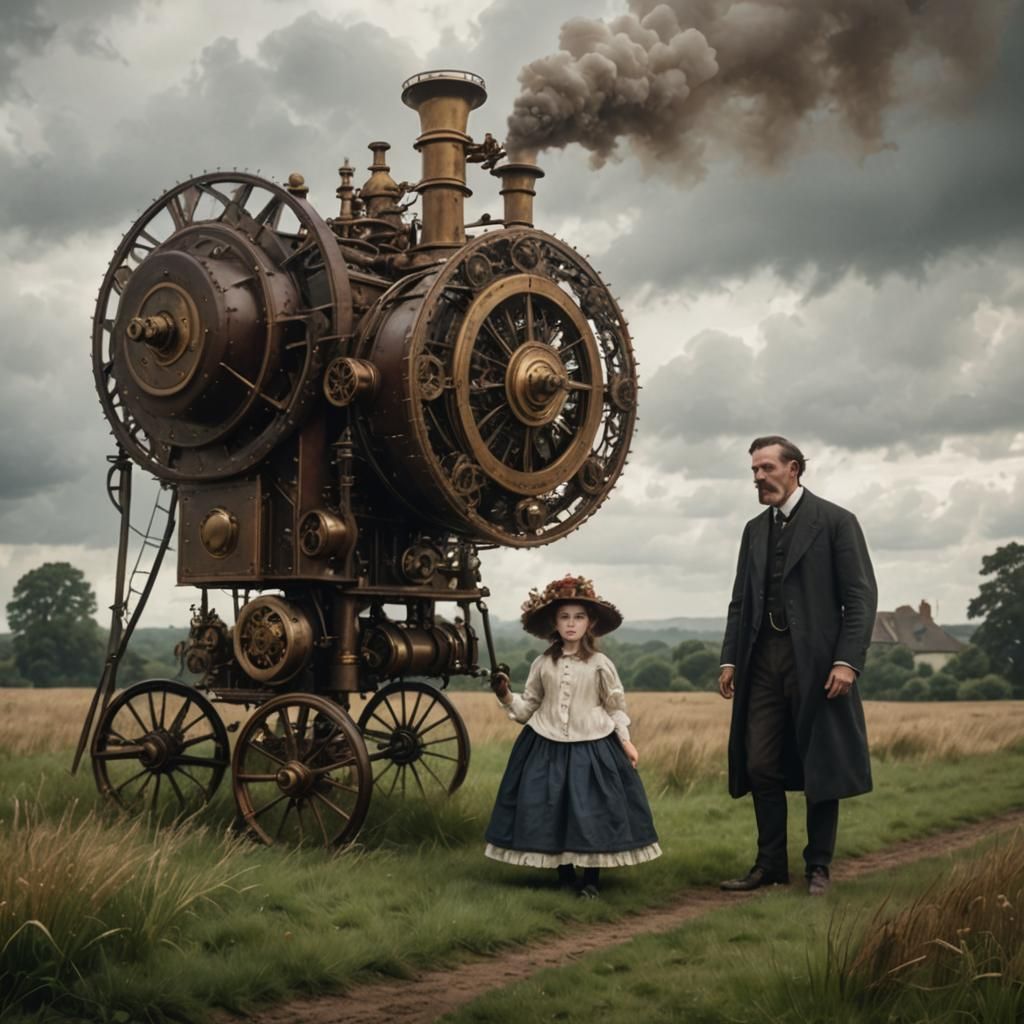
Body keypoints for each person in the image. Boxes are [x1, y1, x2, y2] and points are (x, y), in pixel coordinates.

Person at [718, 436, 876, 896]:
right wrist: (730, 658)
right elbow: (740, 601)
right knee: (760, 762)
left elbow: (861, 599)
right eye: (753, 471)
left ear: (794, 469)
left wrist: (847, 661)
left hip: (819, 663)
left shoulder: (836, 522)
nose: (758, 478)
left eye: (766, 468)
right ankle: (769, 865)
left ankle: (818, 867)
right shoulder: (754, 529)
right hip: (761, 660)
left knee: (820, 765)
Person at [484, 574, 661, 897]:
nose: (571, 624)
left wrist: (625, 741)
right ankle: (565, 876)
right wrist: (506, 694)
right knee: (554, 809)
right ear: (554, 621)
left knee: (592, 811)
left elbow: (615, 707)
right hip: (546, 746)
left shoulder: (599, 664)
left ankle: (591, 879)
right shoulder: (542, 664)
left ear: (590, 623)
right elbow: (527, 710)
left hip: (593, 747)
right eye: (564, 617)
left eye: (578, 617)